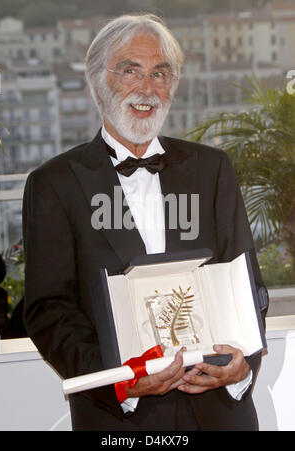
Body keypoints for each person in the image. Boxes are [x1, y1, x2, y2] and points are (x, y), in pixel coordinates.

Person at [23, 14, 267, 431]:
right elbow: (49, 311)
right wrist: (122, 380)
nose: (147, 88)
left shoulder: (211, 169)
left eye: (160, 73)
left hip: (221, 414)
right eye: (130, 70)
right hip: (120, 422)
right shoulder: (54, 183)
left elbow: (246, 286)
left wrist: (242, 369)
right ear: (99, 81)